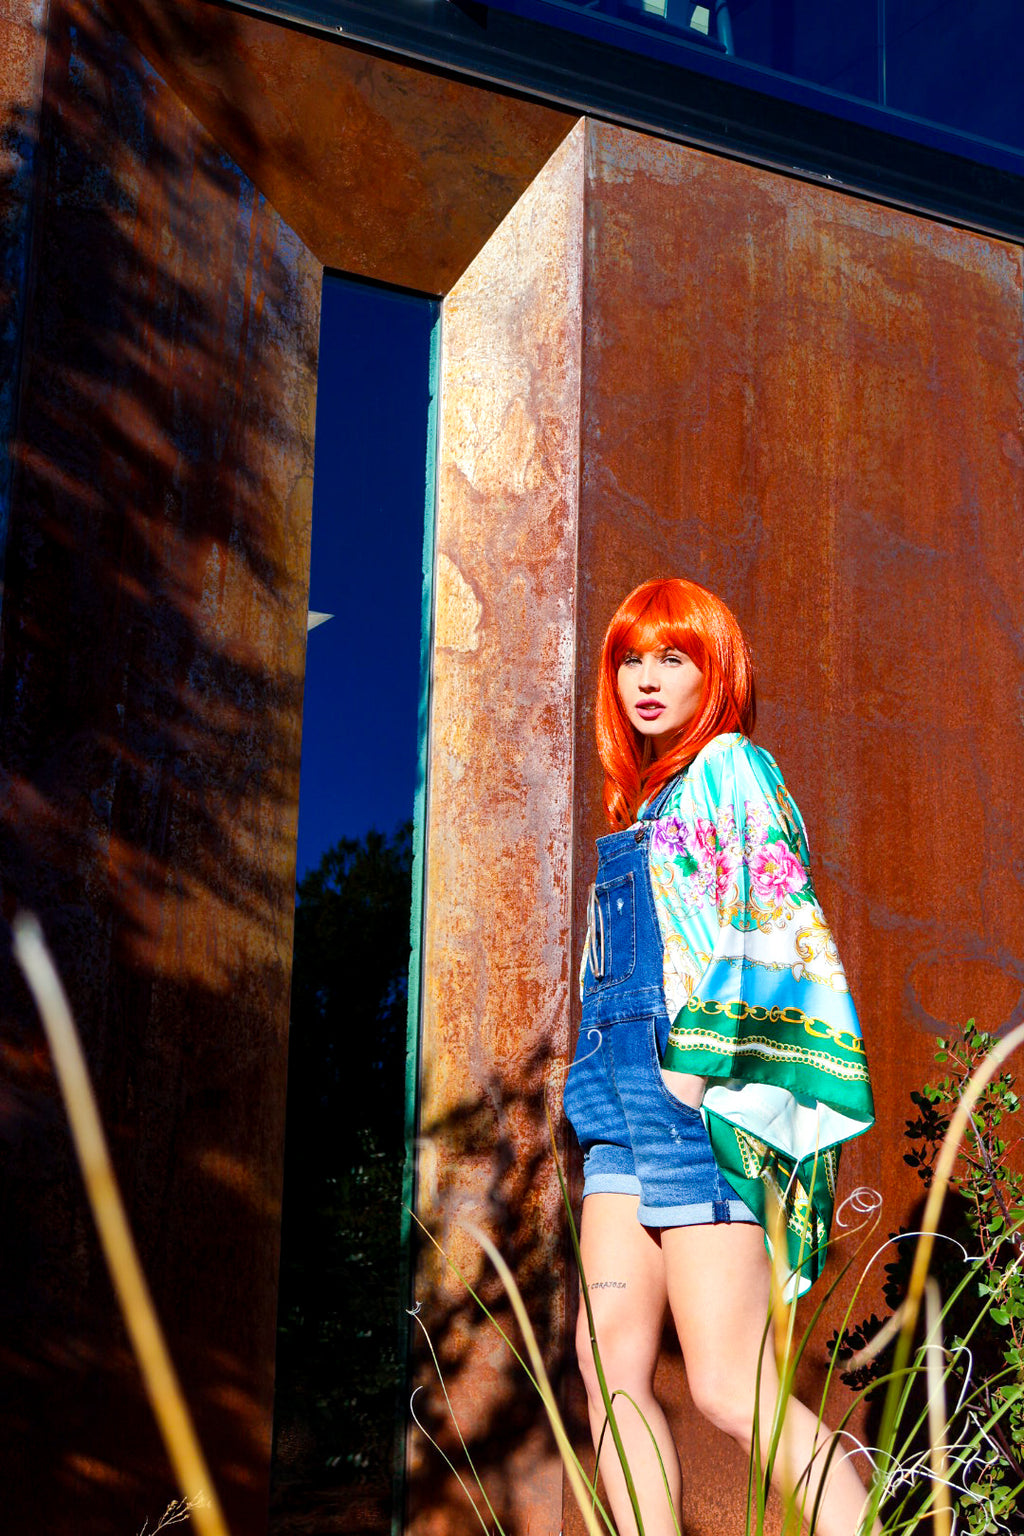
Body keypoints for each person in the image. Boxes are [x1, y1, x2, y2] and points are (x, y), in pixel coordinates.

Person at [563, 577, 877, 1536]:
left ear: (716, 672)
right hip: (613, 1109)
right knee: (606, 1366)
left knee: (730, 1385)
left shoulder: (731, 769)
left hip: (690, 1097)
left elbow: (773, 921)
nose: (647, 681)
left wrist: (692, 1071)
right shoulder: (637, 810)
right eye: (631, 661)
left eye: (675, 658)